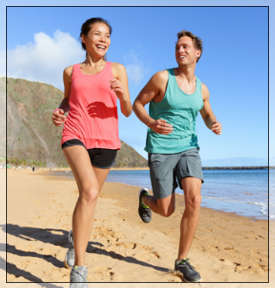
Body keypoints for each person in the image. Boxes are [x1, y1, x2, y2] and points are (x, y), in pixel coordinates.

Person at [133, 30, 222, 282]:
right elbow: (138, 104)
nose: (180, 50)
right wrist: (151, 122)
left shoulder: (202, 88)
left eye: (185, 47)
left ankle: (182, 260)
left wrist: (214, 123)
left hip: (189, 148)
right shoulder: (162, 78)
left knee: (194, 199)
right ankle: (145, 200)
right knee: (166, 209)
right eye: (177, 47)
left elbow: (206, 114)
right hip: (161, 147)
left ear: (197, 53)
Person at [52, 17, 132, 287]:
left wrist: (122, 96)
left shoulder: (118, 69)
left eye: (107, 35)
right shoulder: (70, 71)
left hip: (107, 140)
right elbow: (68, 98)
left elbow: (128, 110)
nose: (103, 39)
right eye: (97, 34)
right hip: (75, 133)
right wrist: (61, 110)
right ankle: (80, 270)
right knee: (89, 192)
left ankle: (76, 239)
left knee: (89, 198)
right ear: (83, 38)